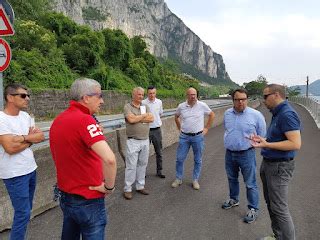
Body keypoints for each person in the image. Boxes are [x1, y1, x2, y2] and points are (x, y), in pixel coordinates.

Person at [49, 78, 117, 240]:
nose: (102, 101)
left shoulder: (59, 119)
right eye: (99, 96)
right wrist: (109, 187)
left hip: (66, 196)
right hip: (88, 199)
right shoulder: (86, 120)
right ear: (86, 98)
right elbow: (110, 160)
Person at [251, 84, 301, 240]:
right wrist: (264, 140)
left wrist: (267, 144)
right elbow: (280, 138)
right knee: (271, 204)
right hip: (270, 163)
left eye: (266, 96)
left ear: (277, 95)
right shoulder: (277, 112)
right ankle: (278, 236)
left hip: (279, 167)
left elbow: (295, 143)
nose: (263, 100)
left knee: (279, 208)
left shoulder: (287, 114)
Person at [0, 83, 45, 240]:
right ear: (10, 98)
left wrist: (23, 138)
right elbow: (10, 148)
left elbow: (40, 137)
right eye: (23, 96)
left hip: (31, 169)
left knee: (27, 211)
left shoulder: (26, 117)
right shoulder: (1, 119)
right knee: (23, 213)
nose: (28, 99)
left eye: (28, 95)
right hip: (14, 173)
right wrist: (29, 139)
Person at [222, 88, 266, 224]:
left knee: (250, 183)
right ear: (233, 100)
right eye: (237, 99)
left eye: (243, 99)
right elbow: (227, 129)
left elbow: (262, 134)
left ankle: (253, 209)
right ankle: (234, 199)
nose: (240, 102)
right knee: (232, 178)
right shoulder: (227, 113)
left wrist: (252, 144)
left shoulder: (256, 115)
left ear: (247, 99)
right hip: (229, 153)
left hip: (246, 154)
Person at [171, 87, 215, 190]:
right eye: (191, 94)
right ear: (187, 95)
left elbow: (212, 115)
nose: (193, 96)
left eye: (195, 94)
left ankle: (195, 180)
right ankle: (178, 178)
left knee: (198, 159)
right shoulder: (181, 106)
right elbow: (176, 116)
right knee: (179, 159)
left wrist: (207, 128)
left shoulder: (202, 105)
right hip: (184, 137)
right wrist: (179, 128)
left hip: (198, 137)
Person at [123, 87, 154, 200]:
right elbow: (131, 120)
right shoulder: (127, 107)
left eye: (142, 95)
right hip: (133, 141)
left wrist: (138, 118)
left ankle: (140, 186)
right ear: (133, 95)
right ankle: (128, 189)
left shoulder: (145, 106)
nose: (141, 97)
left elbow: (152, 119)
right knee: (131, 166)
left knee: (143, 164)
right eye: (139, 95)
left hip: (145, 140)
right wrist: (143, 117)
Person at [142, 86, 165, 178]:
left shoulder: (159, 102)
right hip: (146, 130)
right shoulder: (143, 103)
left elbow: (160, 114)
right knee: (144, 153)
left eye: (153, 93)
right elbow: (143, 116)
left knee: (159, 152)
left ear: (156, 93)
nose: (152, 95)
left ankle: (159, 171)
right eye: (150, 93)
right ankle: (142, 173)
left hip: (156, 130)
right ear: (147, 93)